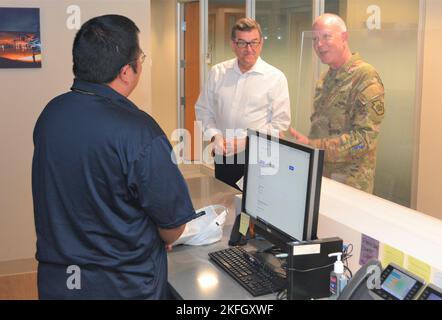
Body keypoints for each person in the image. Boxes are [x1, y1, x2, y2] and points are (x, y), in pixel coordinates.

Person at [32, 15, 196, 299]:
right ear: (125, 71)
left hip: (59, 283)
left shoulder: (51, 114)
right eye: (141, 57)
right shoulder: (141, 132)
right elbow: (172, 228)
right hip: (123, 287)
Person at [289, 13, 385, 194]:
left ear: (344, 37)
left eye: (326, 36)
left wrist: (313, 145)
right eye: (315, 39)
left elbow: (365, 140)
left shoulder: (365, 77)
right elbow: (320, 127)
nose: (319, 45)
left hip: (350, 184)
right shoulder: (325, 78)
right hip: (321, 176)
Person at [195, 18, 291, 190]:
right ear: (233, 44)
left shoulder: (275, 78)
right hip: (224, 153)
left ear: (261, 43)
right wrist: (214, 136)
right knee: (225, 200)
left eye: (254, 42)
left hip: (259, 156)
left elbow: (280, 124)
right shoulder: (218, 73)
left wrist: (247, 141)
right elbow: (203, 110)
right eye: (242, 43)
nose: (249, 49)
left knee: (254, 209)